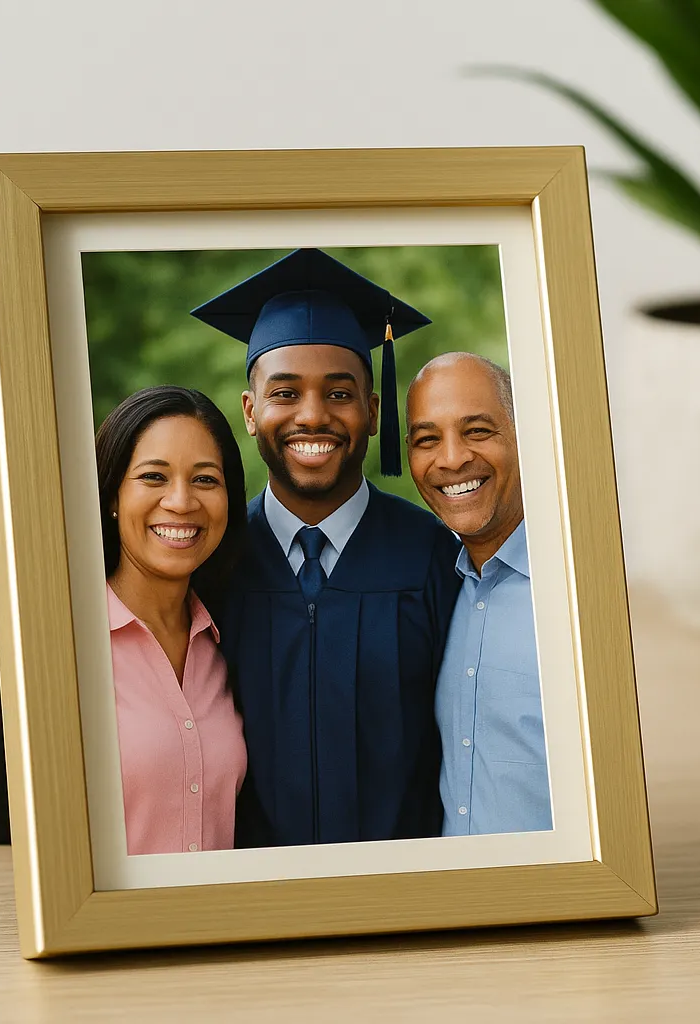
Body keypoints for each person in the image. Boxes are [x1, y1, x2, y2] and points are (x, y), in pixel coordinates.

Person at [190, 247, 462, 848]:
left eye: (339, 394)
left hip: (407, 896)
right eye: (284, 393)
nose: (312, 416)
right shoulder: (209, 562)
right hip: (251, 900)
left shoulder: (435, 558)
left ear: (371, 411)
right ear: (251, 411)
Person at [94, 385, 249, 854]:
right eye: (154, 477)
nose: (181, 502)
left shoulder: (225, 642)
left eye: (205, 480)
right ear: (113, 495)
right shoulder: (69, 647)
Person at [405, 352, 552, 835]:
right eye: (427, 439)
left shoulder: (574, 593)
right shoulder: (437, 588)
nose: (451, 459)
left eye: (477, 431)